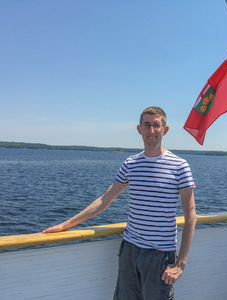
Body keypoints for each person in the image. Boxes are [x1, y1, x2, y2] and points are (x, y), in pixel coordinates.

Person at [43, 106, 196, 300]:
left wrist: (180, 263)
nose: (151, 131)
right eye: (146, 125)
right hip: (129, 250)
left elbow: (190, 216)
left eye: (156, 125)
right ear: (139, 129)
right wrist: (64, 225)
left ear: (164, 130)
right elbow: (104, 200)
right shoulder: (131, 164)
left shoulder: (179, 166)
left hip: (160, 254)